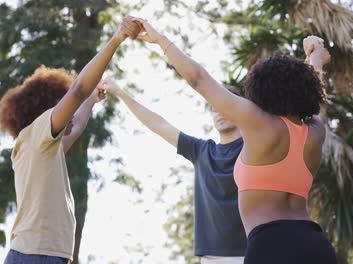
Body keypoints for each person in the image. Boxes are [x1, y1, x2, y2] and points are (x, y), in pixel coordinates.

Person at [131, 16, 337, 264]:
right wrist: (314, 57)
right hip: (315, 245)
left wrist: (160, 40)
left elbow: (199, 79)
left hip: (270, 246)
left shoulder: (259, 124)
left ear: (261, 92)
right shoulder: (315, 131)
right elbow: (312, 94)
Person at [0, 17, 140, 264]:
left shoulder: (40, 148)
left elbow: (76, 127)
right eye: (65, 107)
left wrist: (91, 101)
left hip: (43, 255)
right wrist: (117, 39)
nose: (70, 113)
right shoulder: (37, 133)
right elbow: (77, 91)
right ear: (48, 108)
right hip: (35, 256)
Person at [99, 78, 247, 263]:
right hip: (210, 257)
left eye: (224, 106)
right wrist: (120, 92)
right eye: (214, 108)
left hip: (250, 253)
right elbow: (157, 124)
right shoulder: (201, 151)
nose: (219, 112)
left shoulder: (254, 149)